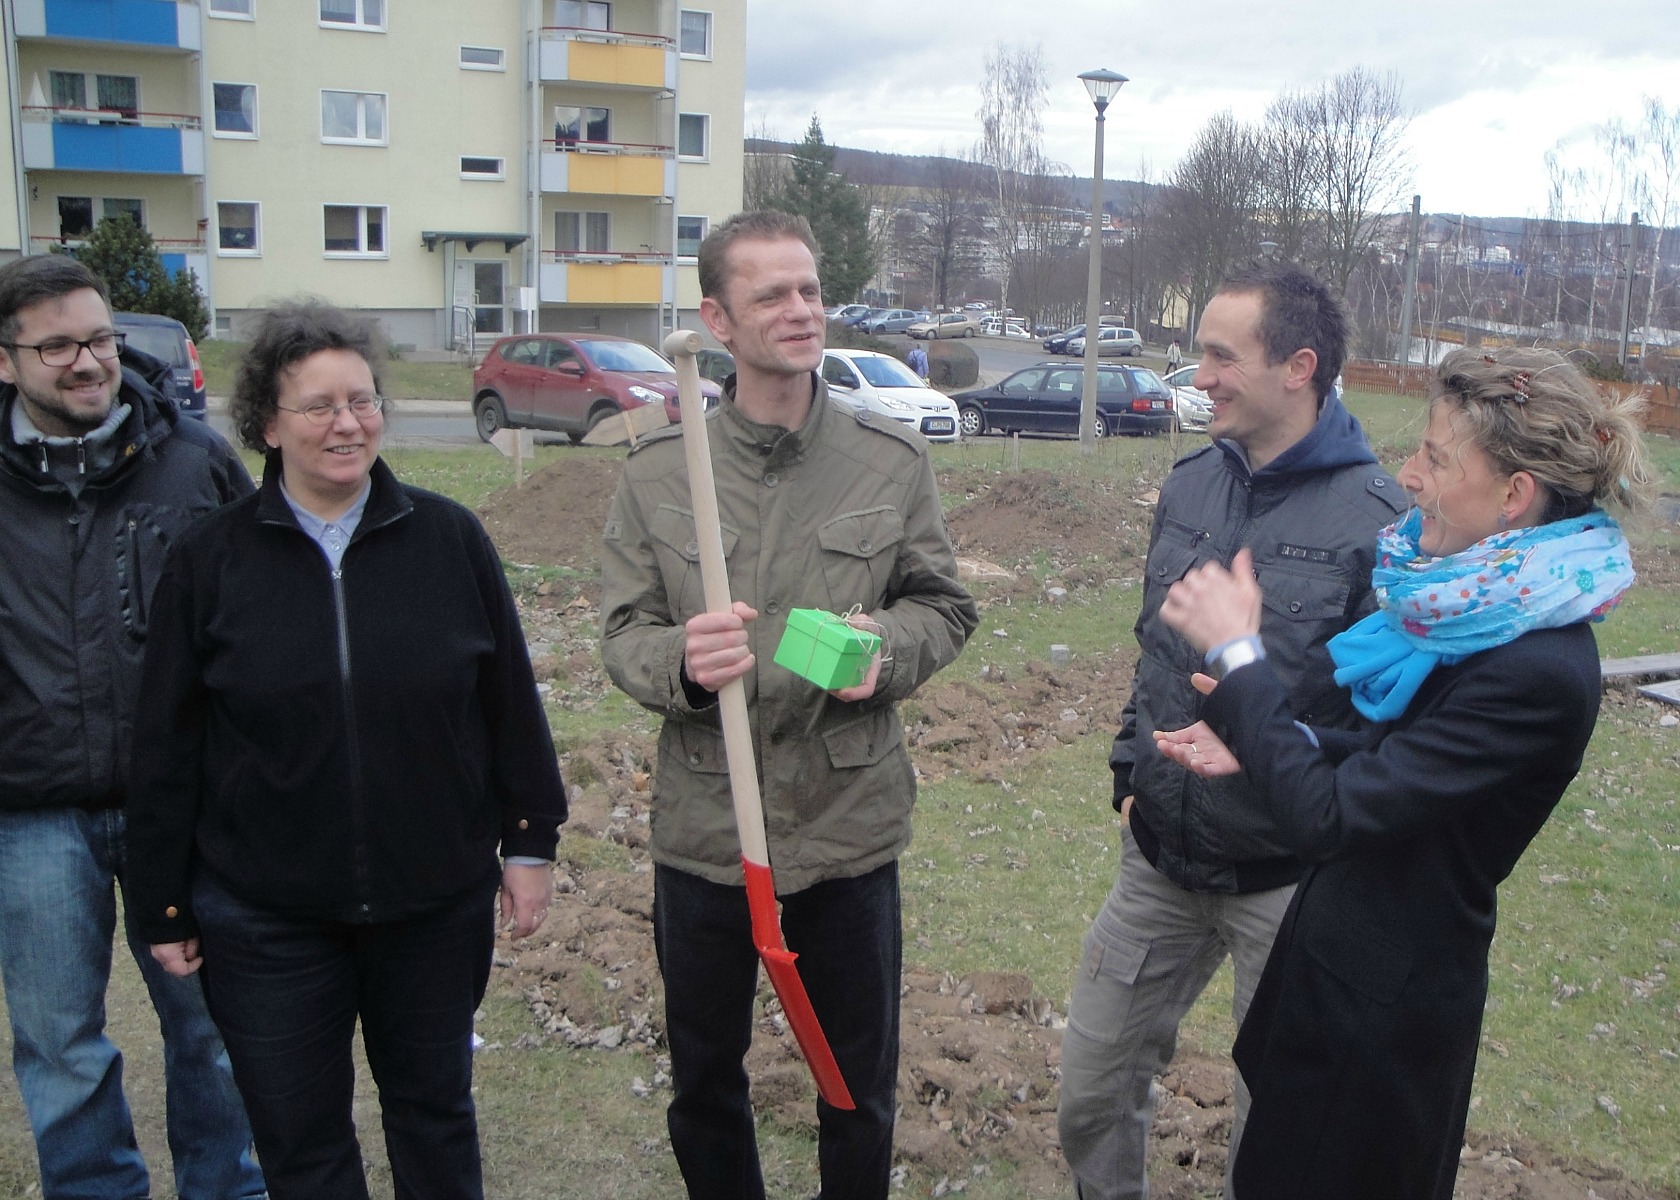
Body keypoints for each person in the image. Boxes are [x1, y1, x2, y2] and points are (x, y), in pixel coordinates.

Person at [1152, 347, 1650, 1199]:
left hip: (1377, 1037)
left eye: (1436, 457)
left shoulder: (1537, 667)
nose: (1408, 475)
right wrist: (1278, 742)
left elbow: (1333, 819)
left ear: (1514, 496)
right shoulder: (1479, 617)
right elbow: (1394, 765)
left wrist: (1241, 656)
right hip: (1334, 992)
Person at [125, 301, 568, 1200]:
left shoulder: (450, 540)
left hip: (431, 904)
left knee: (434, 1116)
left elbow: (508, 702)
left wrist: (529, 839)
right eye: (319, 406)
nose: (347, 423)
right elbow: (166, 743)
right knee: (301, 1140)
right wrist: (161, 901)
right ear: (266, 424)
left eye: (362, 401)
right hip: (267, 917)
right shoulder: (211, 562)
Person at [600, 210, 978, 1200]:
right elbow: (621, 635)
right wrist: (683, 661)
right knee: (704, 1086)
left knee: (856, 1086)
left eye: (809, 289)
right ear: (718, 320)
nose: (801, 309)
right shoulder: (656, 475)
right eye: (772, 294)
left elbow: (943, 606)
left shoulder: (888, 461)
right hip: (708, 832)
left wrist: (882, 653)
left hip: (845, 827)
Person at [1057, 259, 1407, 1200]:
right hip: (1161, 858)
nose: (1199, 374)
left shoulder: (1380, 523)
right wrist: (1131, 773)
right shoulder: (1189, 488)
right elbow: (1152, 652)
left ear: (1298, 367)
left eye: (1220, 354)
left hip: (1288, 887)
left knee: (1279, 1134)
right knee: (1088, 1092)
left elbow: (1387, 721)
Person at [0, 255, 265, 1200]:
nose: (87, 362)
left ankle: (227, 1187)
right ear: (7, 361)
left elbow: (264, 615)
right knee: (59, 1042)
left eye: (101, 338)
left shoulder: (193, 463)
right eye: (58, 345)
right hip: (30, 811)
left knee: (213, 1030)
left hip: (184, 806)